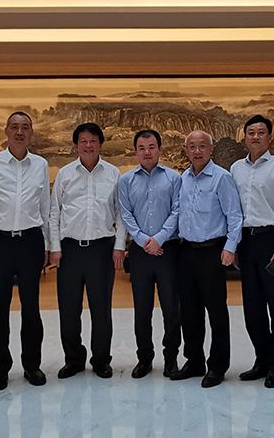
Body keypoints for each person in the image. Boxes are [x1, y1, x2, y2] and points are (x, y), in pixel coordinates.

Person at [0, 111, 50, 391]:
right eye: (15, 127)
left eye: (25, 127)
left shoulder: (40, 164)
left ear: (31, 133)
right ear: (6, 131)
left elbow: (45, 207)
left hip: (30, 242)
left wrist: (46, 244)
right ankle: (0, 369)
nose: (20, 132)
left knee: (31, 308)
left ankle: (32, 365)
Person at [49, 122, 126, 379]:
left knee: (101, 309)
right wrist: (55, 247)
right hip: (70, 250)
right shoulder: (65, 174)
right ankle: (73, 360)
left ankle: (101, 360)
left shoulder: (113, 173)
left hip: (102, 249)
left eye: (93, 140)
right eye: (83, 141)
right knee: (69, 309)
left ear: (100, 144)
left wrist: (119, 246)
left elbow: (120, 213)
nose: (88, 145)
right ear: (76, 146)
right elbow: (54, 213)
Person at [171, 130, 242, 388]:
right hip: (186, 251)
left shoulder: (222, 178)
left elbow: (235, 216)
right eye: (192, 146)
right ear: (186, 150)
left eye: (202, 146)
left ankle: (218, 366)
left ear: (211, 149)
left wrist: (230, 247)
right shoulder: (183, 179)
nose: (197, 151)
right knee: (189, 312)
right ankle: (194, 362)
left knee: (216, 311)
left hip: (213, 252)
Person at [229, 115, 274, 388]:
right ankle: (262, 360)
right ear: (244, 137)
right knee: (252, 308)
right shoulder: (235, 168)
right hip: (246, 243)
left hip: (271, 241)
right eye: (251, 133)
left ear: (269, 137)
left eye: (261, 132)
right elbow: (233, 211)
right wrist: (233, 246)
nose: (255, 137)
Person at [117, 129, 182, 379]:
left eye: (152, 147)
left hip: (168, 250)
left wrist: (159, 239)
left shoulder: (174, 178)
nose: (147, 152)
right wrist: (144, 240)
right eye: (142, 148)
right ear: (135, 151)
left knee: (171, 309)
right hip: (140, 252)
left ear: (160, 150)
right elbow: (125, 214)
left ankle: (171, 358)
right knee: (142, 309)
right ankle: (144, 358)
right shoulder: (126, 180)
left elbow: (177, 211)